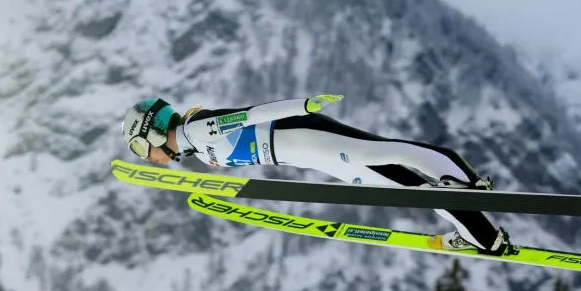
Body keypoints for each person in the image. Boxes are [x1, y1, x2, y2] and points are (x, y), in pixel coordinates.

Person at [120, 95, 510, 255]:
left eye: (140, 148)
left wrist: (303, 103)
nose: (148, 158)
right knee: (406, 186)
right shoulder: (194, 143)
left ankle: (468, 183)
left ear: (154, 130)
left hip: (307, 135)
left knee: (387, 152)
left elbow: (252, 114)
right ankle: (485, 237)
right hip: (314, 156)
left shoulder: (195, 130)